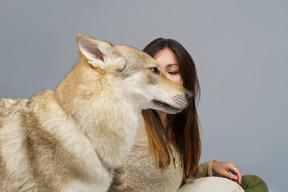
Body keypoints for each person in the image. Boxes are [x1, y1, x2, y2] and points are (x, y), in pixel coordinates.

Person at [108, 38, 268, 192]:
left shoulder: (175, 128)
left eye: (172, 72)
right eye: (154, 72)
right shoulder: (130, 124)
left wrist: (209, 168)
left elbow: (172, 179)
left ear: (184, 80)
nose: (163, 80)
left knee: (252, 183)